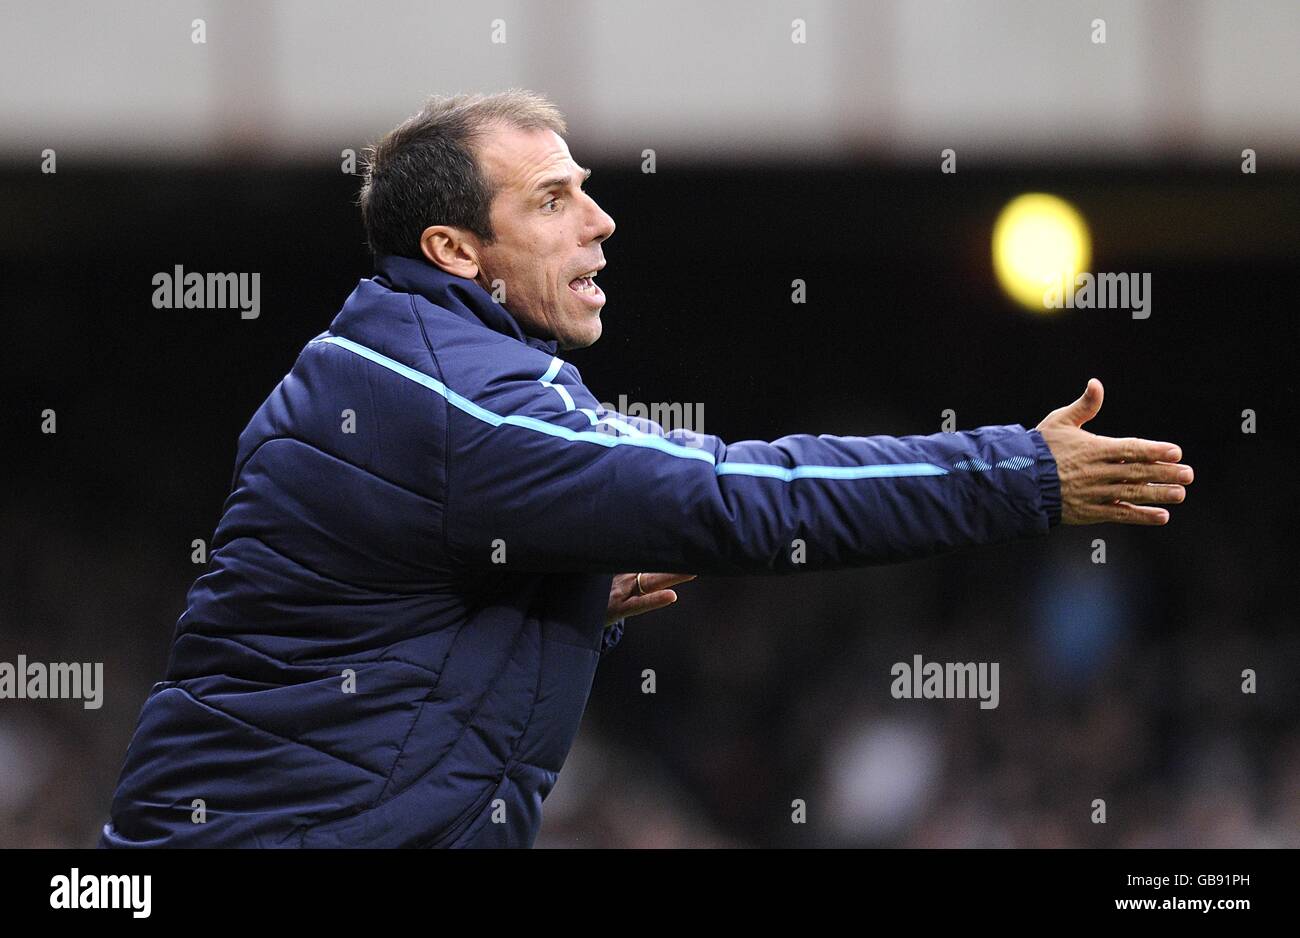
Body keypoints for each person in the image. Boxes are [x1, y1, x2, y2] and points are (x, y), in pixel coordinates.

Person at [100, 89, 1193, 848]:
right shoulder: (451, 401)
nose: (602, 219)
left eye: (585, 187)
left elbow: (381, 605)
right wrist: (1017, 470)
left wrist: (534, 597)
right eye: (552, 200)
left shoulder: (400, 364)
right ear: (453, 249)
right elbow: (732, 495)